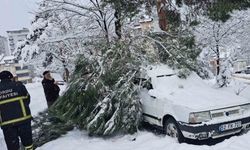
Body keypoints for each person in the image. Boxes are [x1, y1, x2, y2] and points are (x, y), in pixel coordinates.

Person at [0, 71, 33, 150]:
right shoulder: (18, 85)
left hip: (7, 124)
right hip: (23, 120)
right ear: (11, 77)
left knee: (13, 147)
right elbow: (27, 99)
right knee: (28, 144)